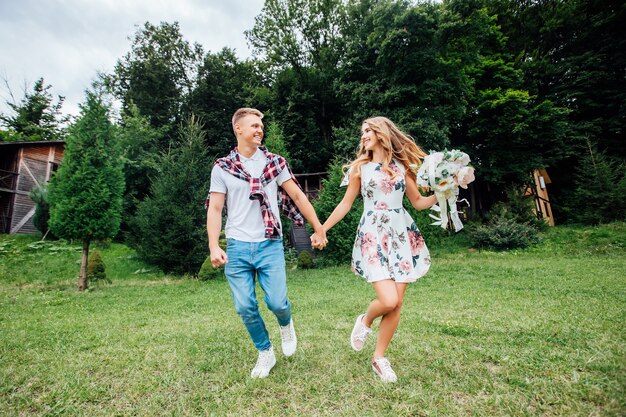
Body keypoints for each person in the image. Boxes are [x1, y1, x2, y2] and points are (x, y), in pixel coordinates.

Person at [206, 108, 327, 379]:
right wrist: (214, 246)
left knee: (277, 303)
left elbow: (297, 195)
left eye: (261, 126)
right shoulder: (222, 168)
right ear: (238, 129)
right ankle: (265, 351)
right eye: (253, 125)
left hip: (269, 243)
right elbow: (215, 209)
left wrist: (318, 227)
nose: (260, 129)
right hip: (237, 245)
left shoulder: (275, 163)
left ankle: (286, 324)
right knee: (245, 307)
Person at [321, 116, 437, 382]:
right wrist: (323, 228)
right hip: (372, 234)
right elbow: (345, 204)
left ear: (382, 133)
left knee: (397, 305)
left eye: (368, 130)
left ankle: (379, 358)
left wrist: (443, 192)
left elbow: (418, 202)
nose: (363, 136)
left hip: (401, 235)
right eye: (362, 132)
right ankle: (365, 320)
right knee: (388, 301)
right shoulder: (360, 169)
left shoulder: (402, 167)